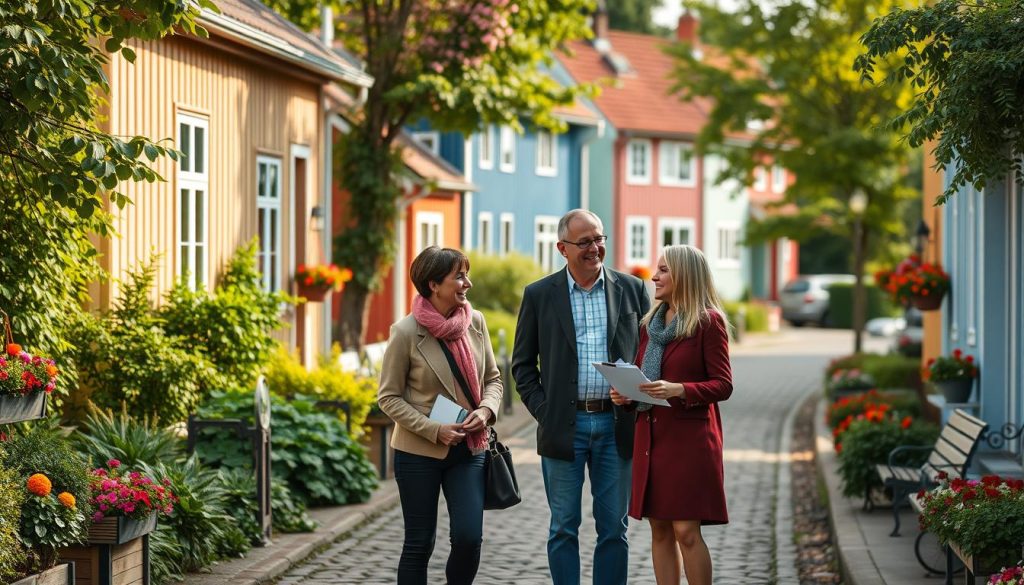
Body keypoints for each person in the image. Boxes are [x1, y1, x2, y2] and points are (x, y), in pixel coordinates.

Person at [512, 209, 650, 585]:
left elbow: (648, 357)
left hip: (616, 425)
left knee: (614, 528)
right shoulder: (540, 295)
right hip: (563, 428)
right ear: (562, 248)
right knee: (563, 528)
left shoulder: (632, 289)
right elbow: (522, 366)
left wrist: (636, 397)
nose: (595, 248)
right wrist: (547, 412)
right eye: (585, 241)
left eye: (600, 238)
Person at [377, 246, 504, 585]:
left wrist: (486, 409)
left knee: (468, 538)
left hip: (469, 450)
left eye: (466, 274)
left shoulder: (475, 322)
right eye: (459, 276)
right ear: (433, 284)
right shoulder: (405, 333)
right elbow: (388, 397)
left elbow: (493, 378)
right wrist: (435, 430)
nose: (468, 283)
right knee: (419, 544)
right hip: (419, 451)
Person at [610, 245, 733, 585]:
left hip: (690, 441)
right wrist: (627, 395)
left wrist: (680, 389)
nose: (654, 277)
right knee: (660, 528)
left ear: (684, 275)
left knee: (686, 531)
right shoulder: (651, 324)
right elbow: (644, 380)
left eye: (663, 270)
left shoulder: (709, 322)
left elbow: (723, 385)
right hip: (650, 436)